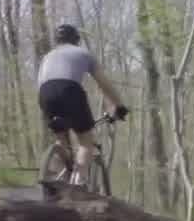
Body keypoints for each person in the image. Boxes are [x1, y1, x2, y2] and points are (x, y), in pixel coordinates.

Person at [37, 23, 128, 185]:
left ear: (57, 41)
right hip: (69, 91)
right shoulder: (83, 53)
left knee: (61, 140)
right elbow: (104, 83)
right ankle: (77, 184)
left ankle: (56, 182)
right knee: (85, 142)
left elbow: (43, 82)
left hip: (44, 94)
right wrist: (118, 106)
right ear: (76, 40)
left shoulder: (47, 56)